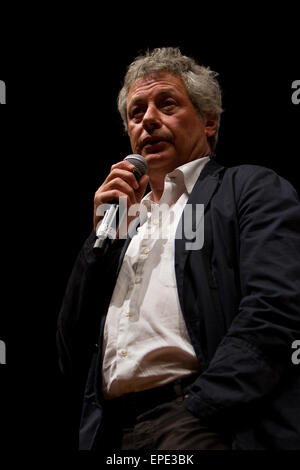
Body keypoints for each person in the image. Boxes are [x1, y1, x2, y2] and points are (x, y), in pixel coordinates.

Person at [57, 47, 300, 451]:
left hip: (201, 420)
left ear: (209, 121)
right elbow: (70, 352)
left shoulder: (250, 189)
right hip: (110, 432)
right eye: (136, 113)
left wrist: (204, 408)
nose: (148, 120)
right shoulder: (122, 226)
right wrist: (99, 244)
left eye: (166, 104)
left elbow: (278, 307)